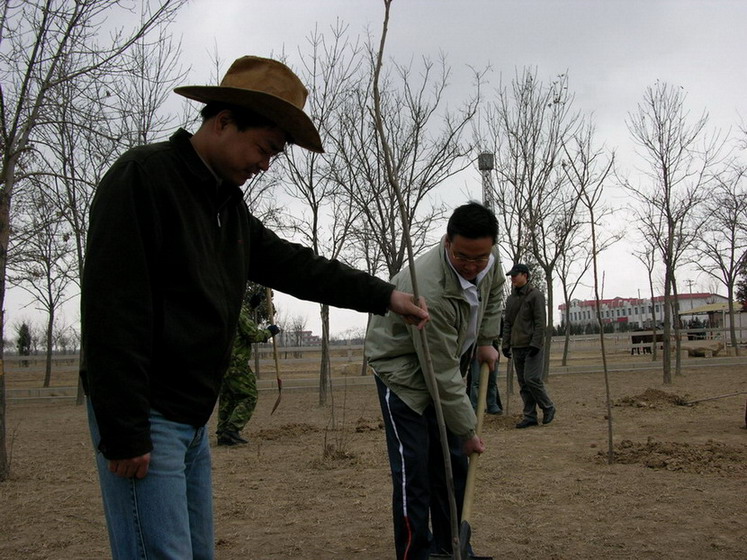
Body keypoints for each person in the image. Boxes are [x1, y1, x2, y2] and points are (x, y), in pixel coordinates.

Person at [80, 55, 428, 560]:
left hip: (193, 419)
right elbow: (113, 311)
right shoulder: (143, 179)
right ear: (222, 121)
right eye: (264, 149)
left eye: (275, 156)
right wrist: (125, 429)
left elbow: (296, 265)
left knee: (197, 553)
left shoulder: (227, 207)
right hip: (147, 417)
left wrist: (386, 296)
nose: (266, 164)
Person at [365, 202, 504, 560]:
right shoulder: (429, 290)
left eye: (480, 258)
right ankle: (416, 554)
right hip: (404, 374)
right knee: (416, 473)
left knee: (453, 466)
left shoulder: (490, 259)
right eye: (463, 258)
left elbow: (495, 295)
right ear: (447, 243)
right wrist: (469, 431)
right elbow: (439, 374)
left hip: (442, 364)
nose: (473, 267)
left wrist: (487, 339)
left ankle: (454, 548)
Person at [216, 291, 278, 446]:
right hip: (237, 364)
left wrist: (251, 306)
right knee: (249, 396)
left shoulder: (224, 310)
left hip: (223, 364)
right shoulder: (238, 312)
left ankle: (223, 433)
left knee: (228, 399)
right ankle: (231, 430)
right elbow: (252, 334)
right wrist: (269, 332)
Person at [501, 263, 555, 429]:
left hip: (532, 346)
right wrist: (506, 344)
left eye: (515, 275)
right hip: (517, 346)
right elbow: (508, 323)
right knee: (523, 383)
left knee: (532, 379)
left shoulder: (535, 295)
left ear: (525, 275)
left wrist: (536, 344)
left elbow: (540, 322)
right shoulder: (510, 299)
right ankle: (530, 415)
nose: (512, 279)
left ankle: (548, 407)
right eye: (511, 276)